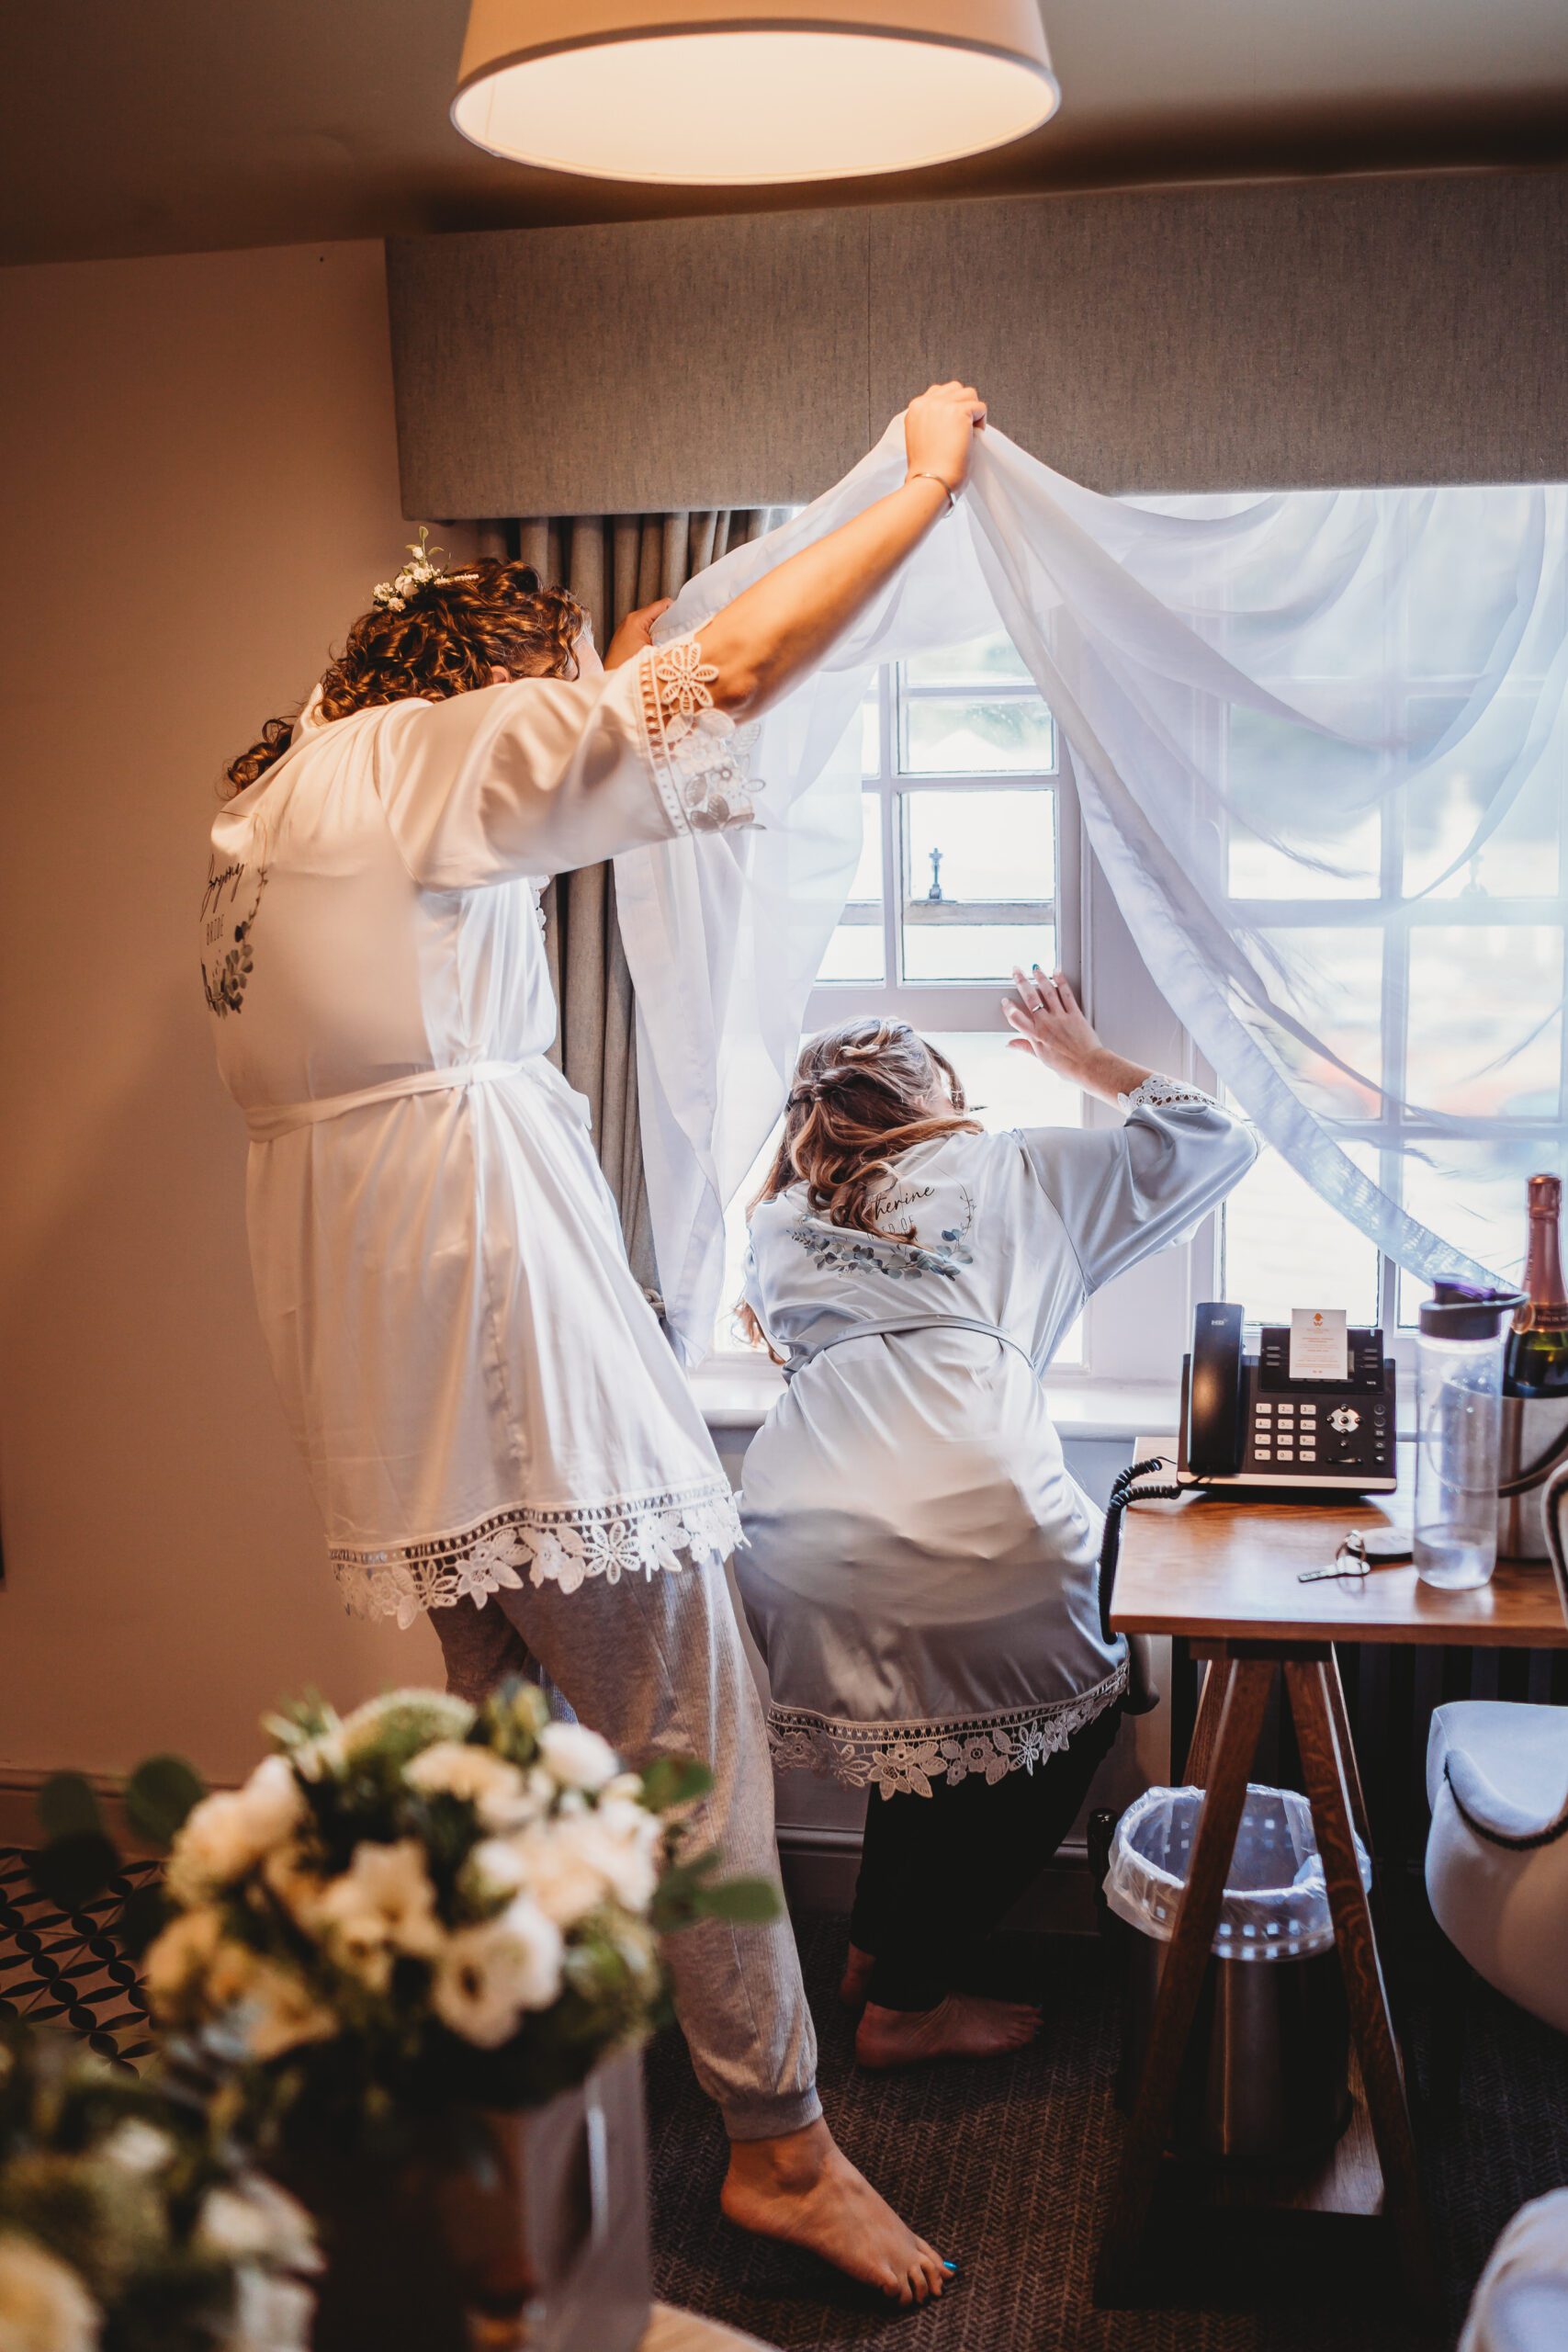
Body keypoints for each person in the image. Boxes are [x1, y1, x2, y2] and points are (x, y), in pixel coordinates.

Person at [202, 384, 990, 2306]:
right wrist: (918, 490)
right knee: (683, 1720)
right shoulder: (405, 772)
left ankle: (517, 2118)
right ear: (484, 688)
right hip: (494, 1315)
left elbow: (584, 736)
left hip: (376, 1328)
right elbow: (718, 674)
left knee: (511, 1744)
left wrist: (602, 672)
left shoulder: (279, 795)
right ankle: (779, 2146)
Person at [735, 978, 1257, 2069]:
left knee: (924, 1730)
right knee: (1081, 1705)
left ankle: (877, 1950)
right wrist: (1090, 1063)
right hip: (972, 1517)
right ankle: (909, 2002)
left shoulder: (778, 1220)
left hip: (795, 1536)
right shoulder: (1015, 1166)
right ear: (938, 1096)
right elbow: (1215, 1140)